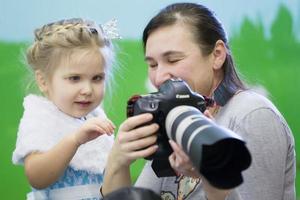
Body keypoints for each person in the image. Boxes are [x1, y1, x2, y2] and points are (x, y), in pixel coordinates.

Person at [101, 2, 296, 200]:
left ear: (217, 55)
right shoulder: (174, 116)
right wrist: (119, 160)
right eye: (152, 64)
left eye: (173, 60)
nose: (159, 77)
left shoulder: (251, 115)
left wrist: (212, 176)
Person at [12, 18, 119, 199]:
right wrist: (75, 139)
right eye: (75, 78)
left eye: (97, 78)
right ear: (43, 81)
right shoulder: (40, 117)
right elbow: (36, 177)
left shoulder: (96, 116)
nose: (87, 90)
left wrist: (121, 158)